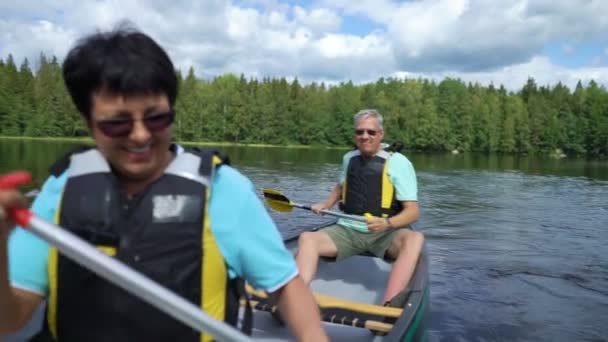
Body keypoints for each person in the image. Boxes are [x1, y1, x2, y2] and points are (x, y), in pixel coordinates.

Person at [0, 25, 327, 342]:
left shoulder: (222, 189)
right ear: (89, 122)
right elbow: (10, 322)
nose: (140, 135)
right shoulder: (61, 190)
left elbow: (286, 287)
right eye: (117, 123)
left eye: (156, 118)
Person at [296, 109, 425, 307]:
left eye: (371, 132)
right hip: (347, 230)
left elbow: (413, 212)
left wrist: (387, 223)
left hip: (387, 233)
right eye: (360, 132)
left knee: (415, 239)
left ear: (381, 134)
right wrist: (327, 203)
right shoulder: (349, 158)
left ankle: (390, 304)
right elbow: (341, 186)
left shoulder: (399, 163)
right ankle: (296, 299)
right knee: (307, 239)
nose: (365, 136)